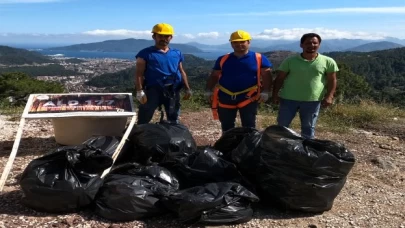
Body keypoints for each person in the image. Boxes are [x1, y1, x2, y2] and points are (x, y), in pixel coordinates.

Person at [272, 33, 339, 139]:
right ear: (301, 45)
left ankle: (307, 151)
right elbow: (280, 78)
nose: (311, 45)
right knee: (282, 126)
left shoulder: (328, 62)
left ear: (319, 45)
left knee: (308, 128)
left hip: (313, 100)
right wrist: (275, 94)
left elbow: (332, 80)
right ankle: (278, 148)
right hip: (288, 99)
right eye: (308, 43)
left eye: (314, 43)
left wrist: (329, 96)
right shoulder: (290, 61)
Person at [205, 30, 273, 133]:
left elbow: (266, 75)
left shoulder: (258, 58)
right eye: (235, 42)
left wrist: (266, 91)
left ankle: (248, 146)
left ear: (248, 42)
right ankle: (228, 146)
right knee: (227, 125)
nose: (239, 44)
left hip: (249, 97)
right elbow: (215, 75)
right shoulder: (223, 59)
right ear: (231, 43)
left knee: (249, 126)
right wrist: (208, 90)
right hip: (225, 96)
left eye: (242, 42)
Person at [135, 23, 192, 124]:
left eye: (166, 36)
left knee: (173, 118)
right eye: (160, 36)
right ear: (154, 36)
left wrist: (187, 88)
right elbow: (139, 73)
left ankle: (173, 137)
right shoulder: (145, 53)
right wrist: (139, 91)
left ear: (171, 37)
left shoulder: (177, 53)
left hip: (173, 90)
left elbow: (181, 71)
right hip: (153, 90)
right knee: (144, 117)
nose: (163, 38)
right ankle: (139, 135)